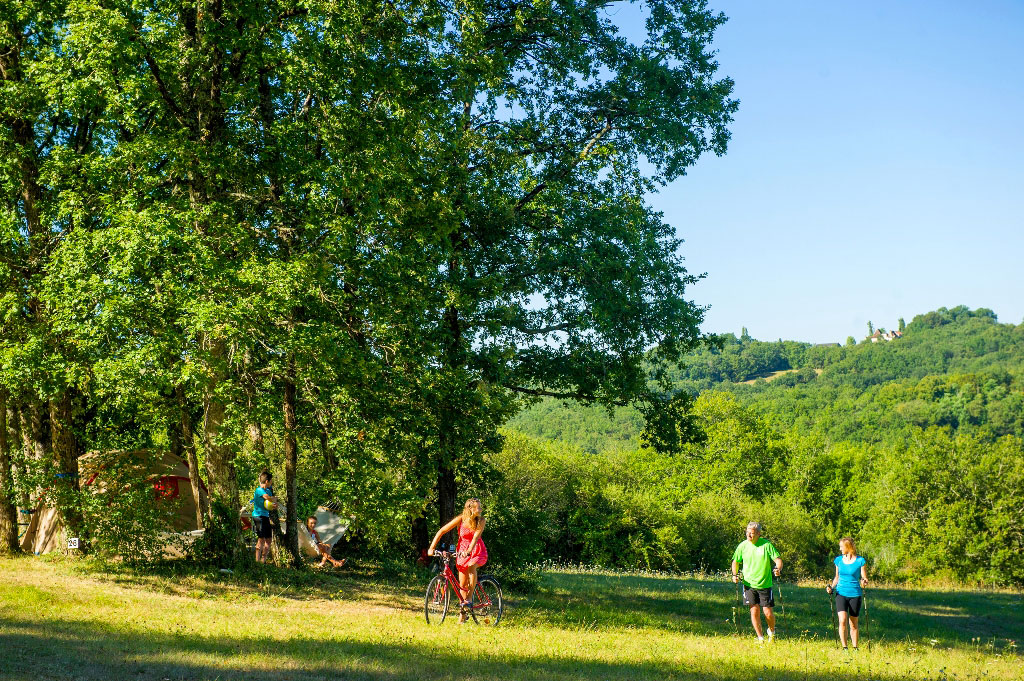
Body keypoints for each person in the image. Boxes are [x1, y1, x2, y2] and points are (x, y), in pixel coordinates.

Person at [427, 498, 488, 623]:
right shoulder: (461, 519)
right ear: (470, 508)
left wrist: (469, 551)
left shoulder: (481, 520)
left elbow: (475, 538)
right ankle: (463, 615)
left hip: (476, 550)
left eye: (480, 507)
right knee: (462, 585)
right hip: (462, 551)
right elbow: (442, 531)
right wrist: (432, 547)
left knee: (471, 566)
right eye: (478, 507)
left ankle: (469, 599)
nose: (480, 509)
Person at [732, 521, 783, 643]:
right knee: (754, 611)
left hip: (764, 584)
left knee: (768, 612)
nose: (749, 535)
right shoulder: (742, 546)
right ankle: (760, 638)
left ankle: (772, 633)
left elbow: (778, 560)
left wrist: (778, 569)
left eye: (752, 533)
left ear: (759, 534)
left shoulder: (766, 545)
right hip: (749, 584)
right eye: (747, 532)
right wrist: (734, 575)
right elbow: (735, 562)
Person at [826, 537, 869, 650]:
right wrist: (831, 587)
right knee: (842, 620)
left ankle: (855, 647)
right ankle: (845, 647)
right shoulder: (838, 560)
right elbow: (837, 577)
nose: (840, 549)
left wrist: (864, 581)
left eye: (841, 547)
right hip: (841, 593)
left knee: (853, 623)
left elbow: (864, 577)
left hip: (855, 594)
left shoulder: (860, 561)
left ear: (848, 547)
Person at [251, 470, 278, 563]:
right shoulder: (258, 490)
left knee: (269, 539)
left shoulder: (268, 491)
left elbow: (272, 503)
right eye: (271, 481)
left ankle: (263, 561)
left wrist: (274, 505)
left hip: (266, 516)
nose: (271, 483)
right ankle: (257, 561)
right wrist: (274, 499)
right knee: (261, 538)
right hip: (258, 516)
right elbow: (267, 498)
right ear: (267, 481)